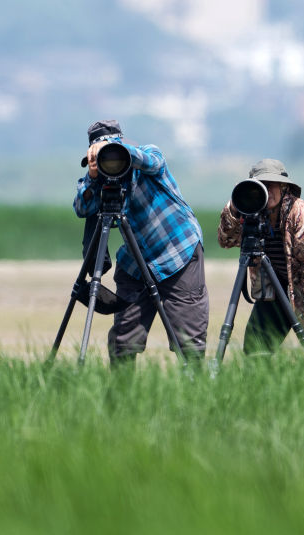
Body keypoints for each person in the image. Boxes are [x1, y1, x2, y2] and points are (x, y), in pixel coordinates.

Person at [73, 119, 209, 364]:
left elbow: (152, 161)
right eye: (101, 160)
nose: (109, 165)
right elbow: (82, 207)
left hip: (177, 254)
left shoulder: (148, 155)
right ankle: (123, 396)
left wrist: (116, 150)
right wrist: (93, 176)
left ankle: (196, 393)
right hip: (137, 263)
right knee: (123, 342)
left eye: (110, 157)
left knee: (189, 343)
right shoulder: (99, 180)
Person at [218, 158, 304, 357]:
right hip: (279, 280)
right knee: (257, 343)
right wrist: (235, 208)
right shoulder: (253, 211)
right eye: (261, 186)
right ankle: (262, 384)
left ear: (283, 187)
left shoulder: (302, 215)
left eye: (271, 185)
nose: (267, 192)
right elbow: (226, 240)